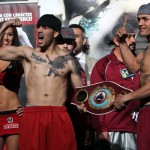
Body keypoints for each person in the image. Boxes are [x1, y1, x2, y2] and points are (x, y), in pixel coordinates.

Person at [0, 14, 84, 150]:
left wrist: (82, 105)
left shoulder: (69, 61)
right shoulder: (27, 54)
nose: (39, 30)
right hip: (32, 115)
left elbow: (82, 93)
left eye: (45, 27)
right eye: (38, 27)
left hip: (58, 115)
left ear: (56, 33)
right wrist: (5, 25)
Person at [90, 22, 140, 150]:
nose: (134, 40)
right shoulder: (103, 65)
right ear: (117, 41)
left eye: (134, 36)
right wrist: (101, 129)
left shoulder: (141, 63)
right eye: (129, 37)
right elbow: (96, 100)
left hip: (139, 127)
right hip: (113, 129)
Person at [113, 3, 150, 150]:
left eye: (145, 19)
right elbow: (133, 66)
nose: (140, 23)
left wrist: (126, 97)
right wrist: (122, 43)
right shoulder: (147, 50)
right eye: (139, 19)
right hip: (146, 112)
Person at [0, 19, 24, 150]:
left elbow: (36, 81)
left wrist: (30, 107)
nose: (6, 37)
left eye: (10, 34)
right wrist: (4, 24)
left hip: (13, 114)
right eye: (4, 32)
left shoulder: (19, 58)